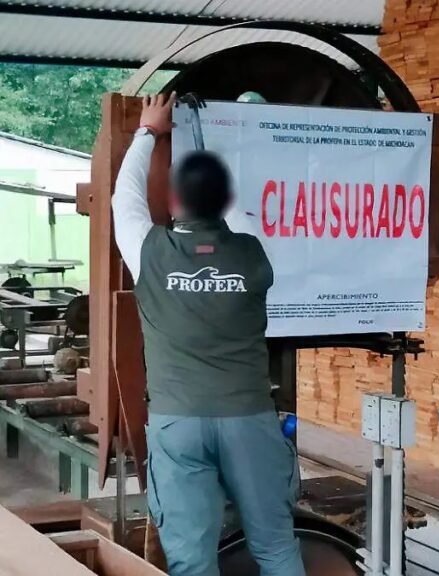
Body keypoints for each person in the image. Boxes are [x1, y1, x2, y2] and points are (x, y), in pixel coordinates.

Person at [111, 92, 305, 576]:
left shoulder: (148, 250)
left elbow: (124, 199)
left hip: (179, 424)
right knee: (276, 547)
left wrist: (148, 131)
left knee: (191, 562)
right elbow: (236, 215)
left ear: (173, 200)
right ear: (226, 201)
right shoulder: (255, 252)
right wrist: (218, 138)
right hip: (249, 420)